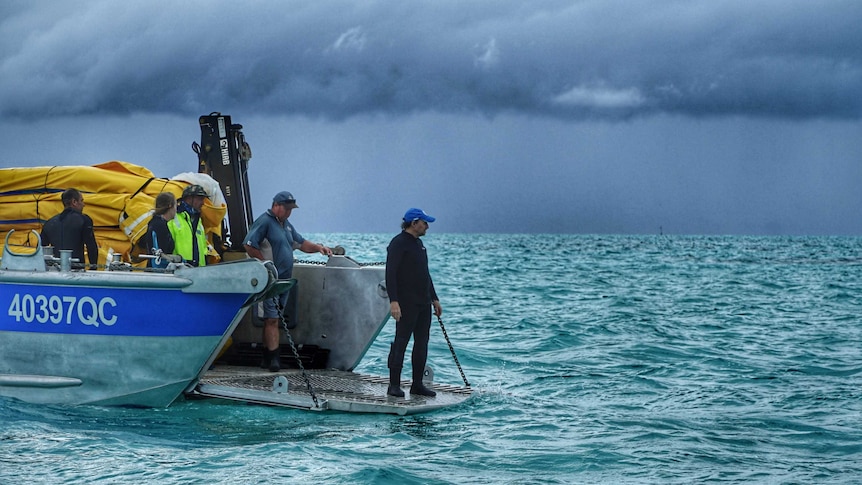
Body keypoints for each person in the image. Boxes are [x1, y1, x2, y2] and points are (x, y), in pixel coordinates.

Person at [243, 191, 333, 371]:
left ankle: (267, 357)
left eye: (291, 209)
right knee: (273, 319)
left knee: (272, 318)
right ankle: (274, 360)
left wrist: (319, 248)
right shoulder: (265, 222)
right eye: (286, 208)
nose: (289, 212)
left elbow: (300, 243)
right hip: (270, 281)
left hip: (283, 280)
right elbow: (249, 244)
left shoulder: (286, 225)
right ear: (276, 205)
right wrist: (265, 265)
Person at [385, 208, 442, 398]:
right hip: (406, 303)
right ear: (414, 222)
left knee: (422, 342)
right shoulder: (398, 243)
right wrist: (394, 301)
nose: (427, 226)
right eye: (424, 222)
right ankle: (394, 385)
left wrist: (434, 299)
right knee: (401, 342)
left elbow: (425, 274)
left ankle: (417, 384)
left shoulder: (419, 245)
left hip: (423, 302)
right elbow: (390, 274)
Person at [40, 188, 99, 269]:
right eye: (81, 201)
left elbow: (41, 250)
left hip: (56, 272)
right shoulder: (83, 220)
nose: (83, 204)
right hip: (77, 272)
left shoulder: (49, 223)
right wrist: (93, 268)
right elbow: (91, 246)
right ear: (74, 202)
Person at [169, 184, 209, 267]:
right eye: (200, 199)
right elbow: (166, 248)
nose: (203, 203)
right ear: (189, 198)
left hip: (199, 272)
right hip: (179, 272)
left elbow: (204, 249)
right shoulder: (174, 217)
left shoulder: (198, 220)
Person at [139, 192, 182, 268]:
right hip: (159, 271)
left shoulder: (156, 222)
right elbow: (158, 254)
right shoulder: (159, 225)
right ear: (170, 206)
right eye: (175, 206)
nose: (176, 210)